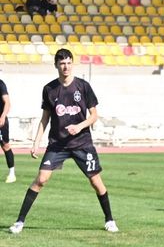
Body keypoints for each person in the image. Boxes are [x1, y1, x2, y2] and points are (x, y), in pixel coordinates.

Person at [10, 49, 117, 234]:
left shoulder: (83, 86)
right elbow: (45, 118)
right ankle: (19, 222)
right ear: (56, 65)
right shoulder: (49, 89)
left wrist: (79, 126)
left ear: (72, 64)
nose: (66, 66)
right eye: (62, 63)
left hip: (82, 143)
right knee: (41, 179)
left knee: (96, 182)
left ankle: (110, 220)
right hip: (57, 144)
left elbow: (94, 115)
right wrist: (36, 142)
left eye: (68, 63)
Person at [0, 77, 14, 183]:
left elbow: (7, 103)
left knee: (5, 145)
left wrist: (3, 116)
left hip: (1, 120)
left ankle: (12, 173)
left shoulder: (0, 84)